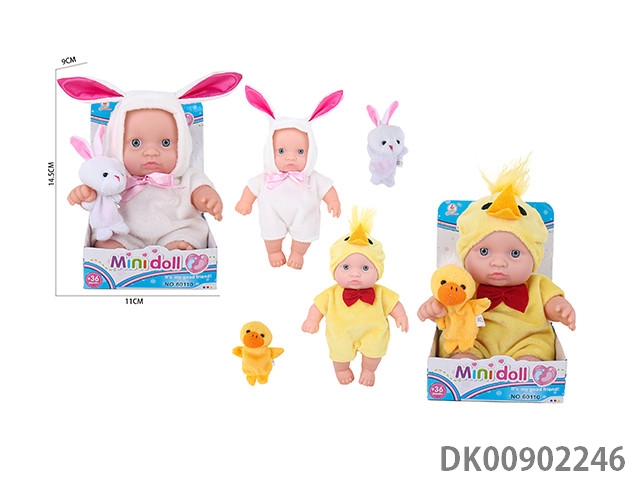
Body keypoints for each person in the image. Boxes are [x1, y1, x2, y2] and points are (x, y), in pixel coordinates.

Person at [418, 158, 576, 361]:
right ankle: (465, 362)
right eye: (484, 252)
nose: (499, 263)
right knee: (461, 352)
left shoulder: (538, 284)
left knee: (536, 351)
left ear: (534, 258)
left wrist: (558, 308)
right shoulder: (464, 284)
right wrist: (435, 308)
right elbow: (448, 301)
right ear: (465, 255)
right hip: (474, 340)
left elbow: (551, 302)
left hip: (527, 341)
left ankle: (528, 366)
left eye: (515, 254)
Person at [302, 208, 408, 386]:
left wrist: (401, 316)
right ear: (334, 268)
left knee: (374, 353)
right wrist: (312, 319)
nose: (355, 274)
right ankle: (341, 370)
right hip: (340, 333)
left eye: (365, 268)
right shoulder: (331, 293)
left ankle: (369, 370)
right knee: (339, 354)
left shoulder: (381, 293)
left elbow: (395, 304)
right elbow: (317, 307)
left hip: (373, 332)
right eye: (346, 267)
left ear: (378, 270)